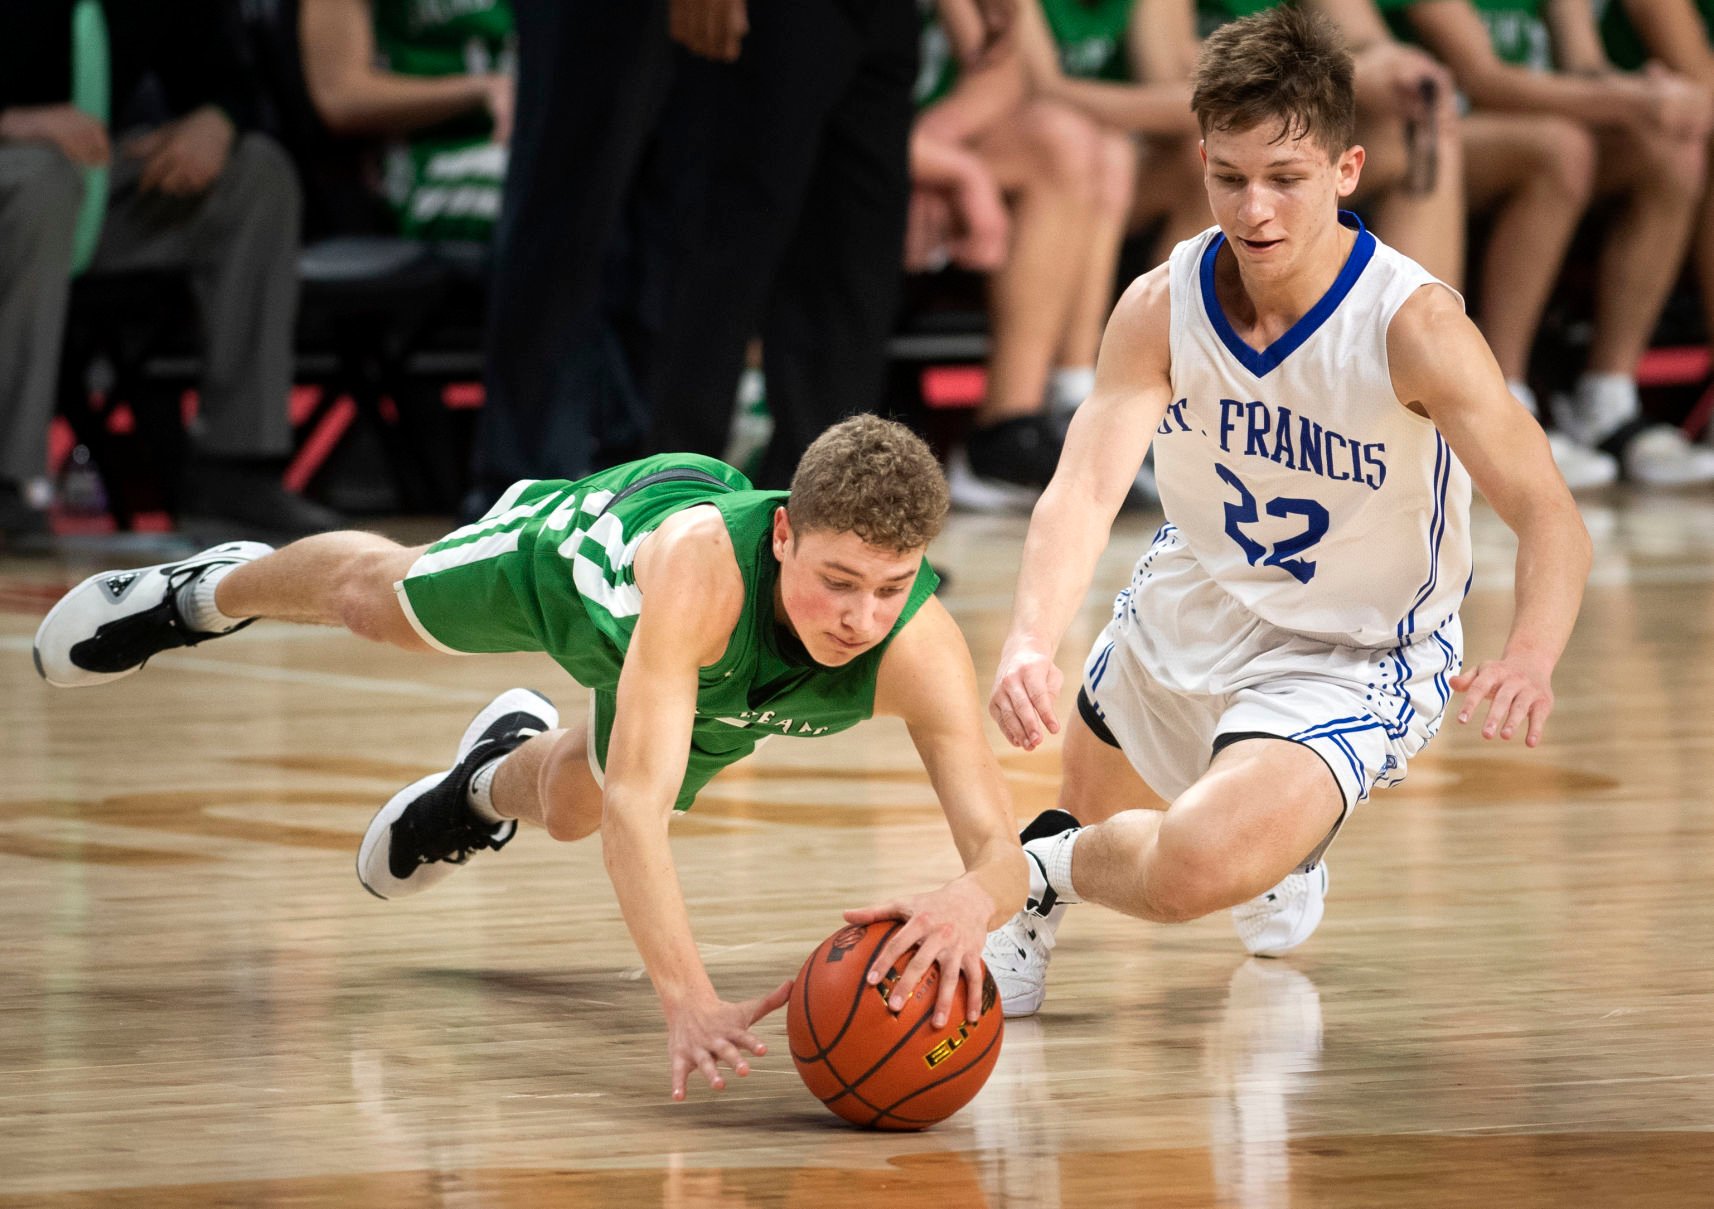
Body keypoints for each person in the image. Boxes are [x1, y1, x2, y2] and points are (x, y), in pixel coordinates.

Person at [33, 415, 1028, 1100]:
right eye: (837, 581)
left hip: (719, 681)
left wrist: (967, 902)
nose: (860, 618)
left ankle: (479, 786)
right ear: (782, 537)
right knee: (375, 605)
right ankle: (202, 593)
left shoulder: (918, 648)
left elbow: (1003, 848)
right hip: (586, 568)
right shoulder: (703, 573)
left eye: (889, 588)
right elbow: (650, 812)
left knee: (575, 804)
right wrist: (686, 1001)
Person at [977, 7, 1591, 1018]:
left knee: (1183, 870)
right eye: (1228, 176)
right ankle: (1258, 847)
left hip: (1350, 648)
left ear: (1348, 170)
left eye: (1285, 178)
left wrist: (1528, 654)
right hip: (1197, 590)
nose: (1253, 208)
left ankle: (1036, 875)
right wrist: (1025, 643)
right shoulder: (1158, 305)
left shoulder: (1414, 326)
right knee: (1098, 810)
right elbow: (1082, 489)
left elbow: (1546, 510)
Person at [0, 0, 339, 544]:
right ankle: (7, 482)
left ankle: (235, 469)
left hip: (92, 188)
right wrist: (14, 121)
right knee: (44, 177)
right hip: (21, 180)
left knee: (255, 176)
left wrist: (216, 118)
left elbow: (233, 78)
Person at [1383, 0, 1714, 487]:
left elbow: (1586, 67)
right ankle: (1504, 399)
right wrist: (1636, 101)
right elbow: (1485, 82)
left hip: (1545, 121)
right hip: (1439, 130)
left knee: (1672, 154)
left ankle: (1607, 399)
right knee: (1561, 152)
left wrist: (1639, 91)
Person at [298, 0, 514, 241]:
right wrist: (481, 91)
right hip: (422, 165)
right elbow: (340, 98)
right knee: (540, 200)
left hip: (512, 144)